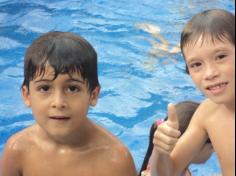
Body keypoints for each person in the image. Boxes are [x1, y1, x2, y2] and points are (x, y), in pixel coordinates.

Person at [1, 31, 137, 176]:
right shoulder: (17, 150)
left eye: (72, 88)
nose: (58, 103)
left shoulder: (115, 160)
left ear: (93, 95)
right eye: (45, 88)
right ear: (27, 95)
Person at [150, 9, 235, 176]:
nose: (210, 73)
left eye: (221, 56)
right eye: (196, 65)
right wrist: (160, 151)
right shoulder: (208, 113)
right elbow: (168, 174)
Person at [139, 101, 213, 176]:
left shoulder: (180, 168)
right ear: (193, 147)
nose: (214, 150)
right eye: (212, 146)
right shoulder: (161, 172)